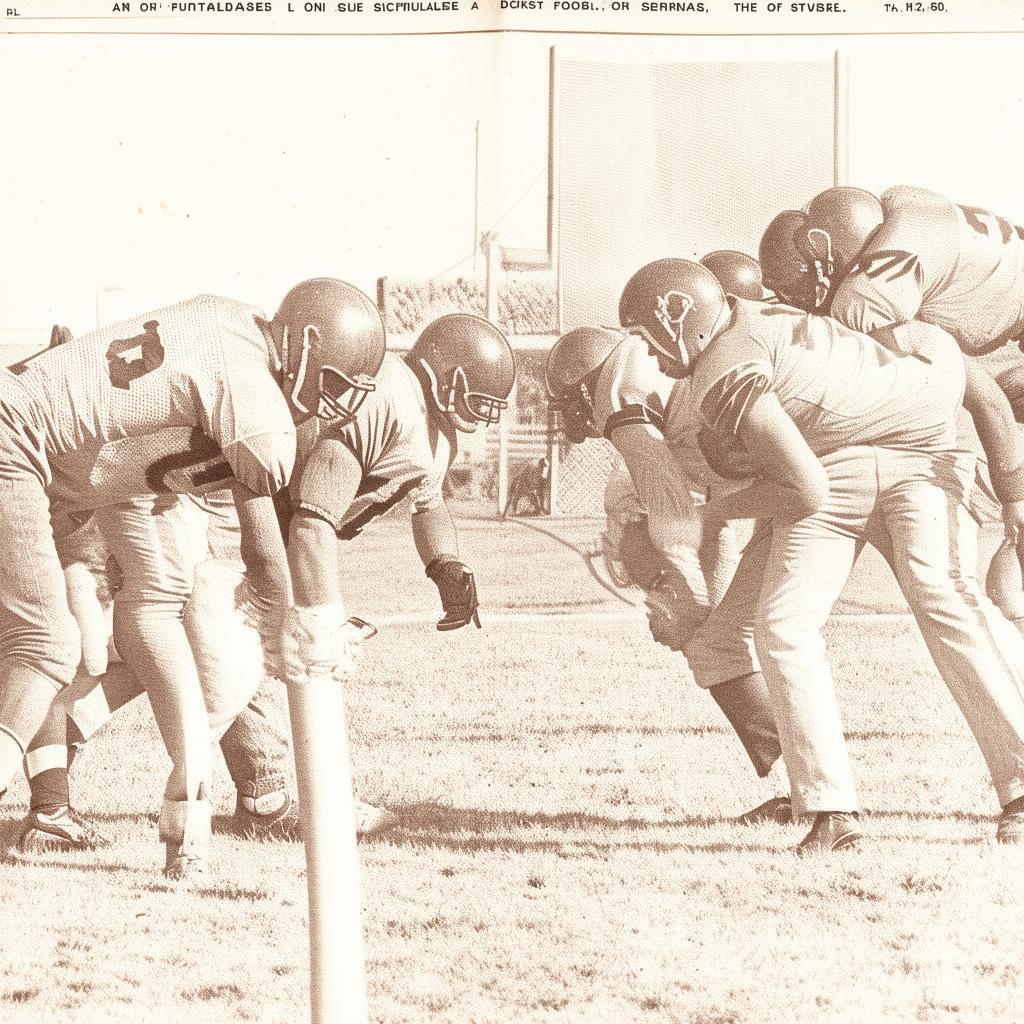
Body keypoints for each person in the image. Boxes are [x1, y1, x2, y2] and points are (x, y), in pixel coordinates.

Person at [618, 256, 1024, 852]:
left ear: (677, 313)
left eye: (648, 339)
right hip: (842, 468)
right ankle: (831, 811)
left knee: (943, 597)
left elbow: (800, 486)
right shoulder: (759, 321)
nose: (652, 357)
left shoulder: (725, 362)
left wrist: (708, 515)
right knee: (783, 624)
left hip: (920, 456)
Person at [1, 278, 384, 878]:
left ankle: (174, 817)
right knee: (51, 646)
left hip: (71, 481)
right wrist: (300, 623)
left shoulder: (230, 332)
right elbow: (264, 540)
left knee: (114, 634)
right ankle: (78, 806)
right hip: (33, 456)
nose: (334, 404)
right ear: (301, 344)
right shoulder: (255, 400)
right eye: (333, 383)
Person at [545, 255, 789, 824]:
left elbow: (666, 495)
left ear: (587, 382)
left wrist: (684, 582)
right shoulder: (648, 368)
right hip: (778, 484)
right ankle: (798, 779)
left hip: (799, 487)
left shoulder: (619, 390)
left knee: (741, 639)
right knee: (729, 641)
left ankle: (808, 784)